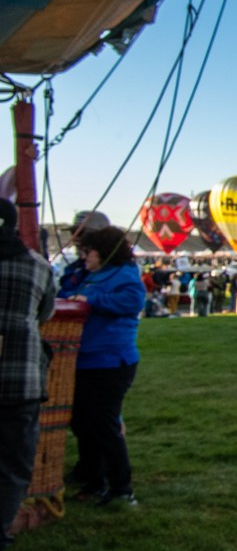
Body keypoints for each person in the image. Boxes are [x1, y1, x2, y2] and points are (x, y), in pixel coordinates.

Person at [60, 227, 143, 507]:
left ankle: (122, 490)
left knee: (104, 427)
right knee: (82, 424)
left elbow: (133, 301)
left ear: (104, 251)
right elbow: (67, 290)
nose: (84, 257)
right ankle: (94, 481)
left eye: (88, 252)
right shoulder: (91, 274)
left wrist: (91, 301)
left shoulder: (125, 273)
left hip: (109, 361)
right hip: (84, 360)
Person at [0, 199, 57, 547]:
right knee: (13, 466)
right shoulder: (37, 265)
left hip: (20, 378)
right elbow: (46, 312)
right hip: (21, 379)